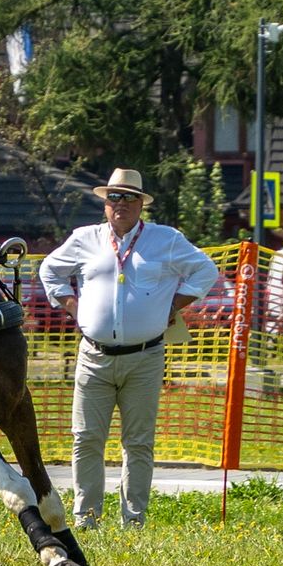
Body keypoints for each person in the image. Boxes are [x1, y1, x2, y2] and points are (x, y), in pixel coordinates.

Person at [39, 168, 219, 529]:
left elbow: (205, 271)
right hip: (94, 356)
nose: (120, 204)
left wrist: (174, 306)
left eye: (129, 198)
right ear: (105, 204)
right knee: (86, 439)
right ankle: (86, 518)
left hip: (145, 357)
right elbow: (49, 270)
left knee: (138, 442)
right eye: (114, 197)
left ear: (141, 204)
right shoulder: (85, 238)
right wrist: (73, 306)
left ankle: (133, 520)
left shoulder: (165, 240)